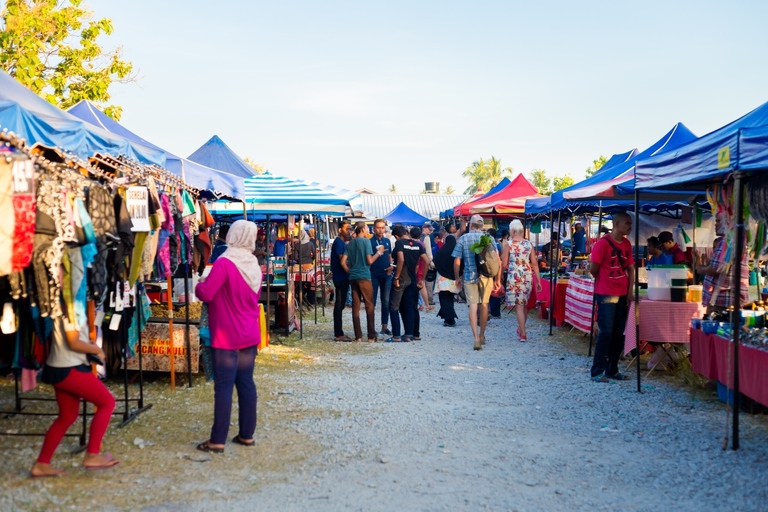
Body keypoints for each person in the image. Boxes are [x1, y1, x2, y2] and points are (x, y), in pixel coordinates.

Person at [195, 220, 262, 452]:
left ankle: (217, 440)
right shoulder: (254, 264)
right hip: (249, 333)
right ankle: (246, 434)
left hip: (226, 333)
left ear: (233, 235)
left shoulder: (225, 262)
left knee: (223, 387)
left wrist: (199, 284)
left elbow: (207, 293)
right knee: (246, 383)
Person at [31, 319, 118, 476]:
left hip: (59, 366)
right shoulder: (73, 300)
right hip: (69, 366)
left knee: (67, 416)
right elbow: (73, 342)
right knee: (107, 403)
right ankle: (92, 454)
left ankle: (42, 464)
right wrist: (96, 349)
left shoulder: (65, 300)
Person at [590, 212, 635, 382]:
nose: (630, 226)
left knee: (619, 332)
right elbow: (593, 269)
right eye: (627, 223)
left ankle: (612, 369)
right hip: (606, 292)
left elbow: (630, 269)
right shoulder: (602, 244)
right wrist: (605, 282)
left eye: (630, 223)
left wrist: (629, 291)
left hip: (622, 293)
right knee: (606, 331)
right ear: (616, 224)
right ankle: (597, 370)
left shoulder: (627, 244)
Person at [452, 214, 503, 351]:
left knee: (473, 307)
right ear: (482, 226)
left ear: (471, 225)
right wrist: (498, 279)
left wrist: (457, 277)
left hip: (469, 277)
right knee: (484, 305)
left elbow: (457, 261)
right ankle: (482, 335)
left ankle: (475, 338)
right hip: (486, 276)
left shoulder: (463, 238)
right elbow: (497, 260)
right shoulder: (489, 238)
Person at [695, 213, 750, 316]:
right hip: (726, 298)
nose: (715, 225)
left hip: (723, 299)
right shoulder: (733, 241)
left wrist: (701, 268)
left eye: (718, 221)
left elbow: (716, 269)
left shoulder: (728, 242)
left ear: (728, 223)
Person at [342, 222, 384, 342]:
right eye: (367, 228)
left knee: (356, 306)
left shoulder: (350, 244)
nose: (368, 231)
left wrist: (349, 272)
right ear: (363, 229)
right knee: (369, 305)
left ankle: (358, 336)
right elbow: (370, 261)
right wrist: (379, 252)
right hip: (364, 276)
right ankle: (371, 335)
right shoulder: (366, 242)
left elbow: (343, 262)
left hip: (353, 277)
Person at [387, 225, 429, 342]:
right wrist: (422, 279)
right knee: (410, 306)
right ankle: (409, 334)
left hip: (401, 279)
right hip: (412, 279)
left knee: (394, 306)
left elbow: (401, 259)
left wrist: (396, 277)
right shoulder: (417, 245)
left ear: (396, 236)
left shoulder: (399, 243)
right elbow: (427, 261)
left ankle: (396, 336)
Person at [502, 219, 542, 342]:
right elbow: (535, 264)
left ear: (512, 231)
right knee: (524, 305)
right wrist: (539, 281)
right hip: (527, 276)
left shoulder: (508, 244)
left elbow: (504, 264)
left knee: (519, 306)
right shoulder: (528, 244)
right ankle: (521, 328)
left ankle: (523, 333)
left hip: (515, 276)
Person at [369, 219, 394, 335]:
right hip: (373, 274)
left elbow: (389, 256)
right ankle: (371, 326)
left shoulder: (387, 241)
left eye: (383, 227)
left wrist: (391, 266)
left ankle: (385, 326)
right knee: (372, 301)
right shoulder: (369, 242)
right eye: (378, 227)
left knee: (386, 301)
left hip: (386, 274)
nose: (380, 230)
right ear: (374, 228)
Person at [330, 220, 352, 341]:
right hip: (340, 277)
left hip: (342, 277)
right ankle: (339, 334)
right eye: (347, 229)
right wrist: (350, 272)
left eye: (350, 229)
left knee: (341, 304)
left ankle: (339, 332)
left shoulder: (343, 243)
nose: (349, 231)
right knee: (339, 304)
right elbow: (342, 261)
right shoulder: (338, 243)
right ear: (340, 230)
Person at [434, 231, 460, 327]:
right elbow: (459, 264)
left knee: (444, 299)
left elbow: (435, 262)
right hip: (453, 278)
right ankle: (447, 316)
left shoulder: (441, 251)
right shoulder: (456, 252)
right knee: (449, 298)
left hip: (442, 279)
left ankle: (450, 319)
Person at [420, 223, 436, 307]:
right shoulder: (426, 238)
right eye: (429, 230)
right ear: (424, 228)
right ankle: (429, 299)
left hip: (417, 261)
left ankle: (420, 301)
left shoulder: (417, 236)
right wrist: (431, 262)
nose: (430, 232)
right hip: (425, 261)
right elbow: (429, 252)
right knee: (428, 281)